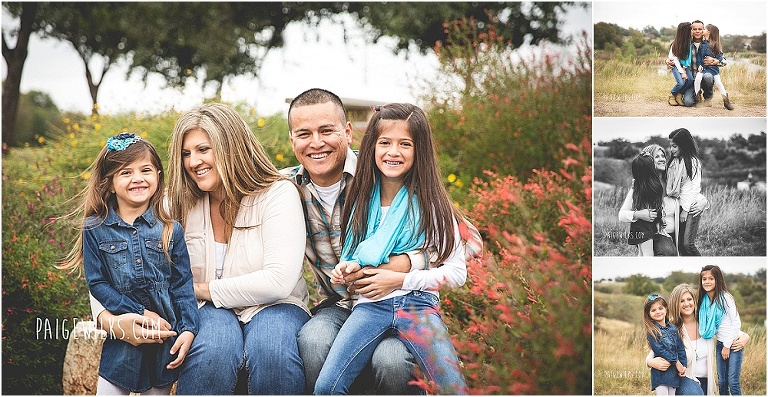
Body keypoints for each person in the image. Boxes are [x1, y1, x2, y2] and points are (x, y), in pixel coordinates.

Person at [92, 104, 311, 394]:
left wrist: (196, 289)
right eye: (186, 153)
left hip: (277, 306)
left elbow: (279, 281)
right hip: (207, 311)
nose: (193, 162)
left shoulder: (277, 195)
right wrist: (108, 319)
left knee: (272, 350)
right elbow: (111, 257)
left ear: (231, 147)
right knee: (212, 349)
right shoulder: (177, 204)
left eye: (203, 149)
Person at [285, 89, 483, 394]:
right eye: (304, 134)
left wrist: (403, 267)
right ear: (291, 140)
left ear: (348, 132)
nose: (316, 143)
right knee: (313, 341)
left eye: (326, 131)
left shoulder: (381, 179)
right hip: (341, 303)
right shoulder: (284, 189)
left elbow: (470, 243)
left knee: (392, 360)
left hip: (411, 300)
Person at [60, 133, 199, 394]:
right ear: (110, 184)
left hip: (164, 337)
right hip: (122, 339)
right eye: (125, 172)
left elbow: (182, 286)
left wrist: (189, 329)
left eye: (146, 170)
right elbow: (98, 284)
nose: (137, 178)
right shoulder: (94, 229)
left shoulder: (171, 230)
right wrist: (136, 310)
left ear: (158, 175)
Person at [647, 284, 750, 395]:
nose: (686, 304)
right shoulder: (671, 327)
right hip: (684, 379)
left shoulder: (706, 324)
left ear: (694, 301)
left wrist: (745, 337)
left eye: (689, 299)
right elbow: (655, 351)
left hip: (707, 381)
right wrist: (650, 362)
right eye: (681, 301)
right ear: (676, 304)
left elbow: (728, 331)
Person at [699, 265, 743, 395]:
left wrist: (727, 345)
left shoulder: (725, 297)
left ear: (717, 280)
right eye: (704, 279)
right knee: (722, 381)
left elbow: (736, 322)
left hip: (733, 344)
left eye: (711, 279)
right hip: (720, 344)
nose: (707, 282)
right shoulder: (705, 301)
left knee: (733, 381)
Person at [667, 20, 724, 107]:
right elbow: (675, 57)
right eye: (694, 29)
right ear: (691, 31)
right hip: (691, 80)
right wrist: (667, 61)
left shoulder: (711, 44)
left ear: (704, 30)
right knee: (688, 102)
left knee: (708, 77)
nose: (697, 31)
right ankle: (693, 95)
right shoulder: (685, 43)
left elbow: (724, 60)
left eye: (700, 29)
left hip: (704, 78)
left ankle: (708, 98)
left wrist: (716, 61)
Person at [667, 129, 705, 256]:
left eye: (675, 146)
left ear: (683, 145)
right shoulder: (674, 162)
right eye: (670, 146)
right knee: (681, 245)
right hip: (679, 206)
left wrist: (686, 210)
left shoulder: (693, 162)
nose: (671, 150)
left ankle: (704, 267)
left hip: (691, 206)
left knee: (688, 244)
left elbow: (695, 188)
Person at [644, 293, 687, 395]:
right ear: (648, 314)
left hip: (673, 373)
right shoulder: (652, 331)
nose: (658, 312)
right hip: (660, 372)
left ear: (666, 309)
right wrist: (676, 362)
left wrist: (683, 365)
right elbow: (660, 350)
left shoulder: (673, 328)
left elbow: (680, 347)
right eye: (653, 310)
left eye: (660, 308)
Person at [695, 24, 734, 110]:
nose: (702, 30)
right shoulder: (702, 44)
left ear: (709, 32)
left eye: (704, 29)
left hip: (713, 69)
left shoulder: (715, 44)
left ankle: (726, 101)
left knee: (719, 84)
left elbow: (720, 57)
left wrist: (715, 61)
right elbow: (698, 57)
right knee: (697, 79)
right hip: (703, 69)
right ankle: (698, 99)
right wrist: (699, 65)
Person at [668, 22, 693, 107]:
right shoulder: (676, 43)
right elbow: (675, 59)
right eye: (691, 29)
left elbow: (687, 58)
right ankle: (672, 95)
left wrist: (685, 68)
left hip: (683, 65)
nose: (692, 31)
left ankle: (679, 94)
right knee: (681, 83)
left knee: (690, 80)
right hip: (675, 65)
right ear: (686, 31)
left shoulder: (689, 42)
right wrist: (682, 72)